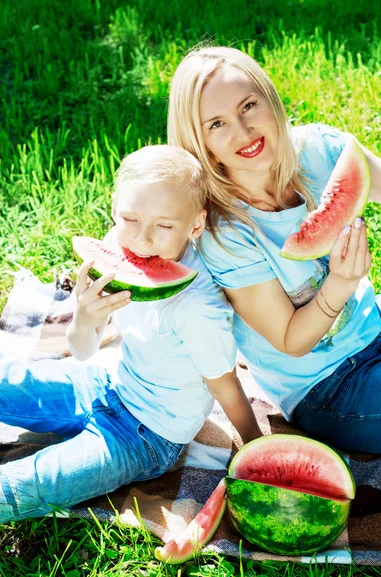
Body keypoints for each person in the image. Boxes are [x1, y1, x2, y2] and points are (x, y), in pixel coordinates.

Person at [167, 45, 381, 455]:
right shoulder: (224, 231)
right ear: (201, 142)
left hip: (377, 326)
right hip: (329, 392)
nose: (243, 130)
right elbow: (290, 340)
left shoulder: (321, 151)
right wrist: (339, 283)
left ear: (270, 97)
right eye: (217, 123)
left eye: (248, 105)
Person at [0, 144, 262, 523]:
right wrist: (85, 318)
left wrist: (258, 450)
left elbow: (224, 384)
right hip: (105, 382)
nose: (141, 239)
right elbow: (84, 350)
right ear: (114, 207)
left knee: (33, 482)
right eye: (130, 218)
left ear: (196, 225)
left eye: (164, 225)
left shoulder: (197, 309)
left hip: (148, 437)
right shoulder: (115, 249)